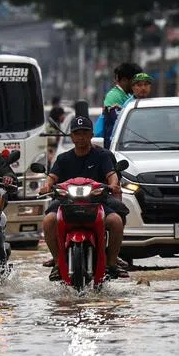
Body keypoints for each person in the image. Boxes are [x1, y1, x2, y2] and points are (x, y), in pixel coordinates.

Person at [39, 114, 127, 283]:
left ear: (91, 135)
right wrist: (47, 186)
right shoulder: (63, 158)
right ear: (71, 136)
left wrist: (113, 185)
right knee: (48, 220)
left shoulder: (103, 155)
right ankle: (58, 262)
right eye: (77, 133)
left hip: (97, 201)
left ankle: (112, 262)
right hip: (66, 202)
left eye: (85, 133)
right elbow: (51, 177)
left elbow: (112, 176)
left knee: (116, 221)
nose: (81, 137)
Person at [102, 63, 138, 144]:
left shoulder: (128, 95)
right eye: (134, 82)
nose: (136, 85)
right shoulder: (113, 96)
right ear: (125, 80)